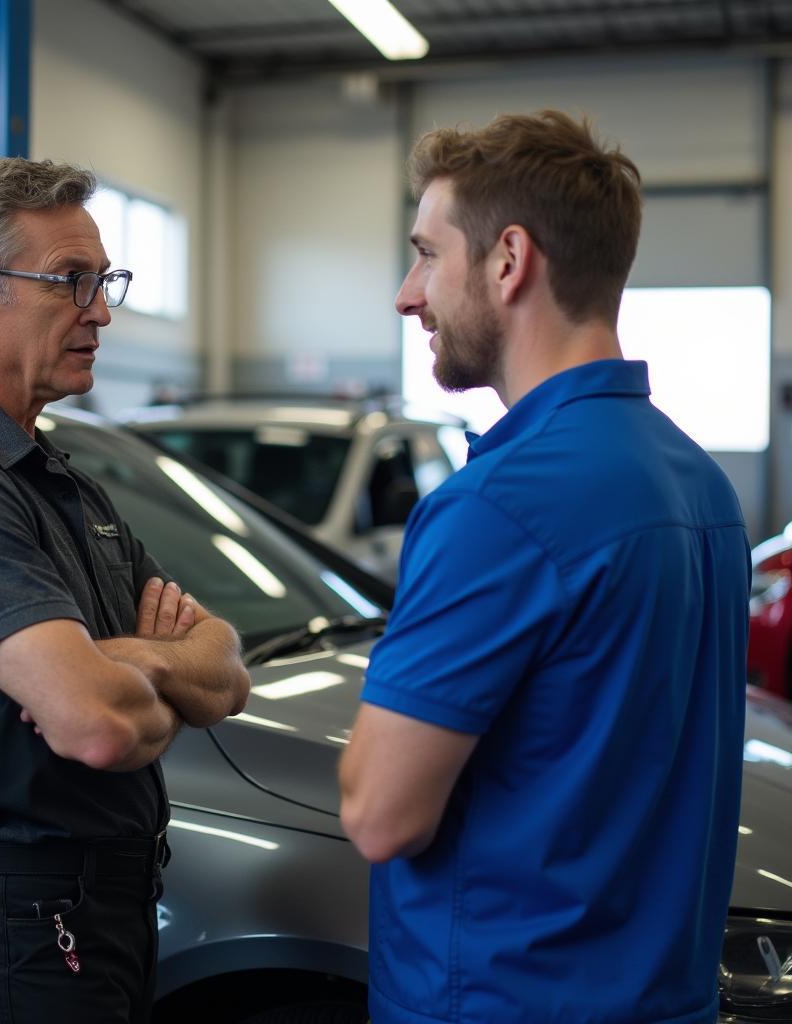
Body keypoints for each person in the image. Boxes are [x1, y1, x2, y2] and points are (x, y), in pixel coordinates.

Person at [338, 110, 749, 1024]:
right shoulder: (702, 487)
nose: (409, 294)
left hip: (498, 998)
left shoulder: (495, 509)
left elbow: (379, 813)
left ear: (508, 260)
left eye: (426, 255)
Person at [0, 156, 250, 1024]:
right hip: (24, 911)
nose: (100, 311)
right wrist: (151, 670)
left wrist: (130, 657)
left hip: (97, 901)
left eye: (104, 282)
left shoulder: (51, 476)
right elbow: (99, 727)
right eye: (70, 281)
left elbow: (226, 672)